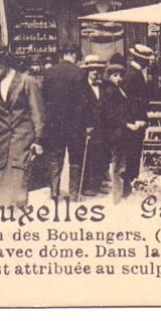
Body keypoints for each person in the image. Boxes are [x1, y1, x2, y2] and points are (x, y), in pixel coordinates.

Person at [0, 45, 45, 206]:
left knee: (19, 187)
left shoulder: (26, 81)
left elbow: (37, 113)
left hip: (22, 142)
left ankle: (19, 221)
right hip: (1, 146)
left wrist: (38, 139)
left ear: (5, 63)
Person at [42, 43, 87, 200]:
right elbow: (82, 102)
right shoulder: (80, 73)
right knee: (75, 157)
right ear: (74, 55)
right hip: (75, 124)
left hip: (54, 123)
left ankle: (54, 191)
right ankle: (74, 193)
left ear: (62, 55)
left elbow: (44, 99)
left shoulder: (49, 73)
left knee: (55, 156)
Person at [100, 57, 139, 203]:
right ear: (108, 76)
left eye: (120, 75)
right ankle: (117, 196)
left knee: (121, 163)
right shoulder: (110, 91)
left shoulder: (118, 89)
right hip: (116, 133)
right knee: (118, 165)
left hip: (121, 132)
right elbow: (112, 115)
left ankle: (122, 193)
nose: (118, 78)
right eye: (115, 75)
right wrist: (127, 124)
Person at [122, 44, 154, 190]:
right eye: (147, 60)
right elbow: (130, 100)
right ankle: (130, 180)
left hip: (134, 119)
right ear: (141, 59)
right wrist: (137, 118)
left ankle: (131, 180)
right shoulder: (133, 74)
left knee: (133, 150)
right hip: (134, 120)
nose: (149, 62)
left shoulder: (132, 72)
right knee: (133, 150)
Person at [80, 55, 108, 195]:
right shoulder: (81, 87)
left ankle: (98, 184)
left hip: (101, 126)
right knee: (88, 155)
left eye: (97, 70)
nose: (95, 72)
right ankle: (86, 186)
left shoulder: (103, 86)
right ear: (87, 71)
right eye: (92, 70)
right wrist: (85, 125)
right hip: (88, 127)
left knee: (100, 155)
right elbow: (79, 109)